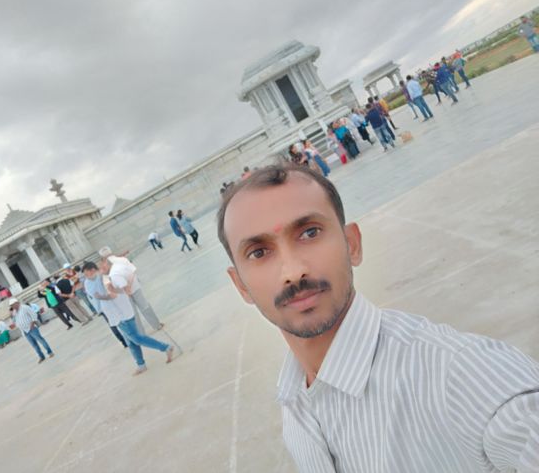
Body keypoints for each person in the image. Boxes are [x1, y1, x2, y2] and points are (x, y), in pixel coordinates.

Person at [217, 163, 539, 473]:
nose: (292, 271)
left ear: (352, 244)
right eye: (259, 253)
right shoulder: (294, 400)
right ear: (240, 285)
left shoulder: (460, 376)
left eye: (310, 232)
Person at [100, 266, 176, 375]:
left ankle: (165, 347)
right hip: (118, 317)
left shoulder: (110, 278)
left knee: (137, 339)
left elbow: (121, 290)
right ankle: (141, 364)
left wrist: (108, 292)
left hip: (122, 316)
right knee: (131, 343)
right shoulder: (105, 279)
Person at [99, 247, 164, 331]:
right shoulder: (122, 260)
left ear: (102, 258)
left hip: (122, 292)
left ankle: (141, 333)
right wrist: (129, 285)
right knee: (144, 306)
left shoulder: (104, 268)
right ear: (111, 252)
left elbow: (108, 284)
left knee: (133, 312)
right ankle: (156, 325)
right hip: (135, 286)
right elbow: (132, 271)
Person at [82, 261, 128, 347]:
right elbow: (95, 295)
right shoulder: (87, 282)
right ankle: (123, 341)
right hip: (103, 307)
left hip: (114, 302)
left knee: (122, 319)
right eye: (85, 274)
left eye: (87, 273)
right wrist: (107, 297)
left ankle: (128, 337)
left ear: (93, 270)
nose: (86, 276)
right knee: (113, 324)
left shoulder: (101, 276)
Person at [9, 298, 54, 363]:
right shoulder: (14, 312)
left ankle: (50, 352)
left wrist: (32, 324)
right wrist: (11, 315)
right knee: (34, 345)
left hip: (32, 328)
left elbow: (34, 315)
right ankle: (41, 356)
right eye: (11, 306)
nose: (12, 307)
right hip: (24, 331)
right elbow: (14, 321)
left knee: (41, 340)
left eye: (13, 305)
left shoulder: (25, 307)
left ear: (17, 303)